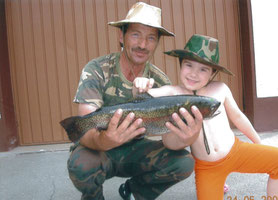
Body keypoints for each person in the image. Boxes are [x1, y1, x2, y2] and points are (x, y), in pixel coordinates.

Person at [133, 34, 278, 200]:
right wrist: (139, 85)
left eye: (203, 69)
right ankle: (219, 180)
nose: (194, 74)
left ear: (212, 73)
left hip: (236, 151)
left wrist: (259, 144)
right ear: (180, 64)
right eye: (189, 65)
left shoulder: (220, 89)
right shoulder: (172, 93)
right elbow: (143, 99)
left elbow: (239, 118)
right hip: (207, 167)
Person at [67, 2, 202, 200]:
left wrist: (187, 137)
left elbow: (167, 139)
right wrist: (107, 139)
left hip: (136, 151)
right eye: (136, 34)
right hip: (99, 149)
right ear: (121, 36)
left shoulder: (161, 81)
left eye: (151, 38)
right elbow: (84, 128)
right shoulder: (97, 69)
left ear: (157, 43)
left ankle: (134, 192)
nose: (142, 45)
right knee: (81, 164)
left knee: (184, 162)